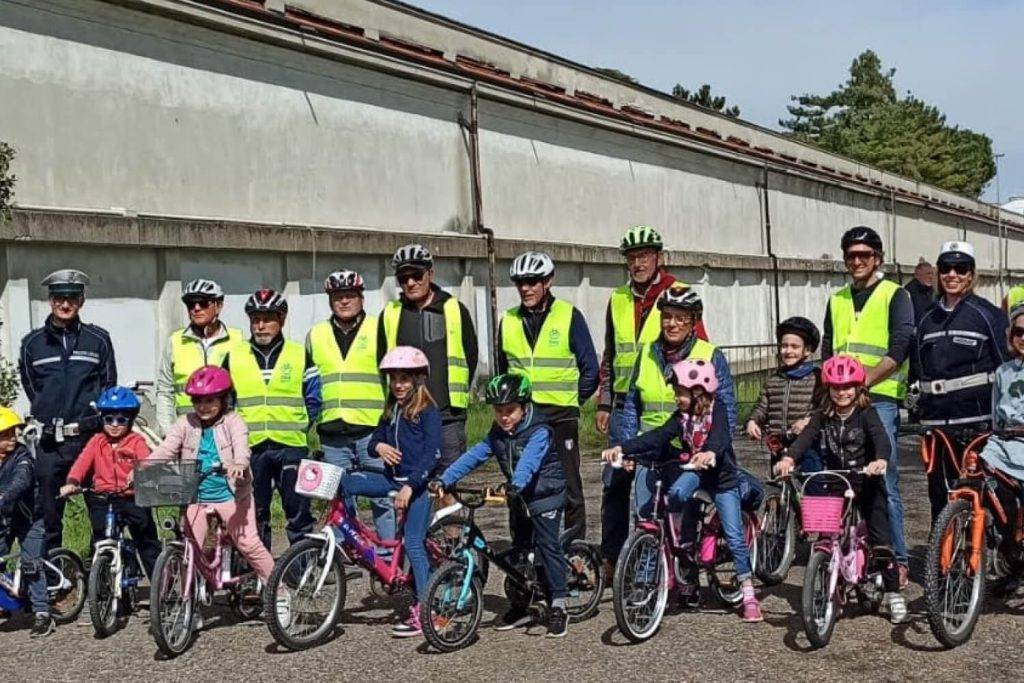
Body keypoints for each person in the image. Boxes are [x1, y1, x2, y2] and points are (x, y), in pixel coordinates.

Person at [602, 360, 762, 623]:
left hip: (721, 479)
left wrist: (710, 451)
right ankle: (685, 546)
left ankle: (748, 593)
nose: (676, 397)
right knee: (675, 494)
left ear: (698, 391)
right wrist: (624, 448)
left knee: (734, 534)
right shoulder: (681, 418)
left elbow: (721, 437)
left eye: (680, 392)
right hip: (696, 473)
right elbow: (656, 437)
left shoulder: (716, 410)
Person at [602, 283, 736, 577]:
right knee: (646, 515)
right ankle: (646, 582)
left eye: (680, 318)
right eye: (667, 317)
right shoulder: (647, 354)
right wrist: (626, 446)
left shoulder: (709, 354)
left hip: (689, 450)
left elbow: (726, 408)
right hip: (651, 447)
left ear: (693, 322)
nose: (671, 324)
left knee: (682, 512)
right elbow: (631, 406)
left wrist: (713, 449)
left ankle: (685, 578)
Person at [599, 226, 708, 578]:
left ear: (658, 257)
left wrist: (695, 403)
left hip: (671, 406)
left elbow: (699, 347)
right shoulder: (617, 298)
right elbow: (610, 351)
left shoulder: (678, 293)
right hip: (624, 402)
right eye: (631, 258)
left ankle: (677, 559)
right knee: (615, 480)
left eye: (644, 256)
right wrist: (603, 402)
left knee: (673, 485)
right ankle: (614, 556)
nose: (637, 263)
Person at [18, 268, 116, 637]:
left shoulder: (98, 340)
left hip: (87, 440)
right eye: (59, 297)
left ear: (81, 301)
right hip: (48, 443)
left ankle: (100, 585)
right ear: (51, 300)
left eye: (72, 297)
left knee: (99, 512)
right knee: (48, 518)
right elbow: (32, 387)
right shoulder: (31, 344)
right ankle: (55, 588)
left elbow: (108, 387)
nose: (65, 303)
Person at [435, 374, 570, 637]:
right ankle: (522, 604)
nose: (504, 416)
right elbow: (474, 456)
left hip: (544, 495)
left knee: (547, 545)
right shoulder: (498, 433)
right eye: (499, 411)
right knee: (519, 549)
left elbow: (529, 462)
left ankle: (559, 604)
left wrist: (514, 485)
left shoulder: (539, 430)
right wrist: (445, 478)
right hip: (518, 498)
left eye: (510, 411)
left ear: (524, 407)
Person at [776, 355, 907, 623]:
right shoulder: (822, 416)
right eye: (836, 387)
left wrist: (880, 460)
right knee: (827, 534)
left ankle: (893, 592)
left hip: (867, 482)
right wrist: (789, 458)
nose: (842, 392)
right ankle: (829, 587)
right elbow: (805, 439)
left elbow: (881, 440)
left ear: (859, 387)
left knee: (881, 540)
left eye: (848, 387)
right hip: (836, 481)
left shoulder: (866, 414)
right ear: (828, 389)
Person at [150, 366, 276, 629]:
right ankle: (191, 606)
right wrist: (143, 469)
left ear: (223, 399)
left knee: (249, 543)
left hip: (231, 494)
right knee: (194, 551)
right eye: (198, 401)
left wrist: (239, 463)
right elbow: (166, 449)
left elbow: (242, 447)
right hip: (196, 495)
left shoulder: (233, 421)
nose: (203, 407)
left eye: (210, 400)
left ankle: (279, 593)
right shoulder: (185, 423)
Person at [821, 226, 913, 584]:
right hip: (840, 400)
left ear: (878, 258)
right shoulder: (837, 298)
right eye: (851, 256)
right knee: (834, 476)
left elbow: (899, 346)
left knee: (884, 480)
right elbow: (828, 349)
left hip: (879, 399)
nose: (857, 261)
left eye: (864, 255)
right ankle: (836, 552)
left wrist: (863, 383)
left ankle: (897, 558)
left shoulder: (895, 294)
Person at [497, 251, 598, 547]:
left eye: (532, 282)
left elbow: (590, 369)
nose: (526, 288)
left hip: (559, 418)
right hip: (523, 421)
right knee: (521, 487)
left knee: (568, 487)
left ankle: (574, 549)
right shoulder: (509, 321)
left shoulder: (569, 316)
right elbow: (503, 374)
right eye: (520, 283)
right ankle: (524, 550)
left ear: (547, 281)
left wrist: (571, 401)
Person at [345, 346, 439, 638]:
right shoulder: (392, 409)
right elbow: (375, 439)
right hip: (391, 480)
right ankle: (347, 535)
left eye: (404, 379)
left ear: (417, 380)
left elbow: (432, 454)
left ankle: (427, 612)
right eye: (394, 379)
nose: (398, 385)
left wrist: (411, 486)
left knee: (413, 543)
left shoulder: (427, 411)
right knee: (344, 482)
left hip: (418, 487)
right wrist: (379, 446)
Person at [913, 242, 1008, 522]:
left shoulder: (988, 315)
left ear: (971, 274)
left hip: (976, 422)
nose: (953, 274)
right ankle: (940, 561)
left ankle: (981, 551)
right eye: (946, 268)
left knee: (980, 492)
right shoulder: (928, 319)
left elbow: (1006, 367)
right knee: (938, 496)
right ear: (938, 273)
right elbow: (919, 370)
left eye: (961, 268)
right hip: (938, 425)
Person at [224, 289, 318, 552]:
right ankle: (257, 574)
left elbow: (314, 398)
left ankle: (301, 569)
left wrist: (300, 424)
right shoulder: (234, 355)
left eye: (267, 318)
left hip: (291, 445)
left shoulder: (300, 353)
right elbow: (225, 402)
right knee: (254, 513)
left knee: (298, 511)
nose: (261, 325)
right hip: (251, 447)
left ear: (282, 319)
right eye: (255, 319)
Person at [307, 270, 393, 542]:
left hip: (372, 430)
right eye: (337, 297)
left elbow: (395, 379)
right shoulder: (316, 334)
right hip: (332, 432)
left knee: (382, 498)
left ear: (361, 298)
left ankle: (388, 555)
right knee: (339, 499)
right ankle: (347, 554)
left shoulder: (380, 329)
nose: (344, 302)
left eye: (349, 296)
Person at [379, 244, 477, 475]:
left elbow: (470, 356)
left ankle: (451, 513)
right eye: (403, 278)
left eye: (416, 275)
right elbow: (382, 361)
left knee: (448, 485)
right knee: (412, 486)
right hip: (407, 417)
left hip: (447, 417)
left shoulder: (453, 309)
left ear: (430, 274)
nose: (410, 282)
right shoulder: (391, 313)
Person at [59, 386, 161, 579]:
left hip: (132, 497)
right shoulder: (97, 441)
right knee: (102, 540)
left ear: (130, 420)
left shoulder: (136, 441)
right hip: (103, 498)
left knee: (146, 541)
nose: (114, 425)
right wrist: (72, 481)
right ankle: (105, 587)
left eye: (121, 420)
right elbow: (82, 463)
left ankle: (162, 586)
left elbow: (147, 460)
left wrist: (137, 471)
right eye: (109, 420)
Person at [156, 278, 243, 435]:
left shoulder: (237, 340)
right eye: (190, 304)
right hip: (187, 431)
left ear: (218, 306)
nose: (196, 308)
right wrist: (168, 432)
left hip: (225, 432)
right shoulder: (175, 341)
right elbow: (164, 391)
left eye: (203, 303)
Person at [745, 316, 824, 471]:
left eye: (795, 347)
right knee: (780, 487)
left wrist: (809, 421)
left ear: (807, 350)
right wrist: (752, 421)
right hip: (778, 446)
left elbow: (823, 408)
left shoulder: (816, 378)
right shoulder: (774, 380)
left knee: (810, 485)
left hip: (805, 444)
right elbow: (762, 407)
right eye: (784, 346)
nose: (788, 351)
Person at [0, 408, 49, 636]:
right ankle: (5, 604)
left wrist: (3, 496)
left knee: (31, 564)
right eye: (5, 434)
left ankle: (42, 613)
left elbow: (20, 482)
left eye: (13, 433)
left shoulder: (22, 457)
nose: (12, 438)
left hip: (29, 518)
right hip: (4, 519)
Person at [978, 303, 1024, 491]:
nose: (1023, 337)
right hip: (1004, 443)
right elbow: (995, 413)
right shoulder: (1003, 371)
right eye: (1018, 332)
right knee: (976, 472)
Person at [904, 258, 936, 325]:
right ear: (917, 275)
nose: (931, 276)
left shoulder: (932, 291)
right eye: (928, 274)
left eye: (932, 274)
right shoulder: (908, 292)